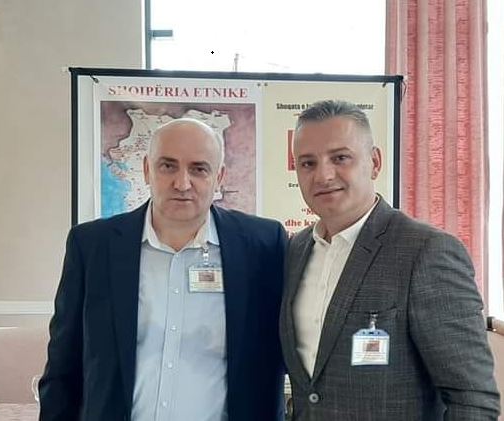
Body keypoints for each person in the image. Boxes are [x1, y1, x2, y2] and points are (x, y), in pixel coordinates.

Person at [40, 118, 287, 420]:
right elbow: (63, 367)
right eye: (168, 166)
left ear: (219, 176)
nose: (182, 183)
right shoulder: (92, 246)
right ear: (147, 169)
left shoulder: (263, 245)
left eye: (199, 169)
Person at [279, 99, 500, 419]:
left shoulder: (427, 251)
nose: (323, 175)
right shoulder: (296, 250)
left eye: (340, 158)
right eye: (308, 163)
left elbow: (472, 399)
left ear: (375, 162)